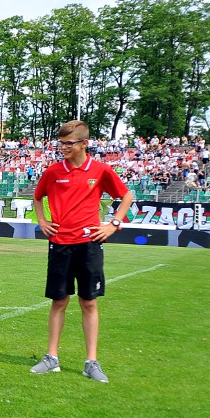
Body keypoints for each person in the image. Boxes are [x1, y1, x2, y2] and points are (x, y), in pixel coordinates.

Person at [30, 120, 135, 383]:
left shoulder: (100, 170)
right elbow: (38, 196)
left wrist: (113, 224)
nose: (64, 148)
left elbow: (126, 196)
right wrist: (42, 221)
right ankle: (51, 358)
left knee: (89, 302)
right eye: (61, 143)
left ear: (84, 143)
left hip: (89, 245)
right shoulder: (53, 171)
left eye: (69, 143)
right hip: (60, 244)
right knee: (59, 301)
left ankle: (91, 362)